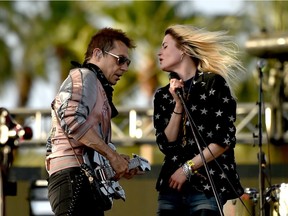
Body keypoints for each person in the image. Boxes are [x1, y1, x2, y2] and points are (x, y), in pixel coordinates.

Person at [153, 24, 245, 216]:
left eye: (165, 46)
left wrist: (187, 169)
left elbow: (224, 140)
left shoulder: (213, 83)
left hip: (206, 184)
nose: (159, 53)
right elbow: (166, 143)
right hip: (171, 187)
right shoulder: (163, 95)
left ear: (183, 50)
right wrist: (178, 104)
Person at [45, 27, 138, 216]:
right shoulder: (84, 76)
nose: (125, 67)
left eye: (128, 62)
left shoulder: (96, 84)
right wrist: (112, 156)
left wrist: (115, 161)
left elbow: (88, 144)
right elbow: (70, 119)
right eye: (120, 59)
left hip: (80, 180)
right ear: (97, 53)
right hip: (72, 178)